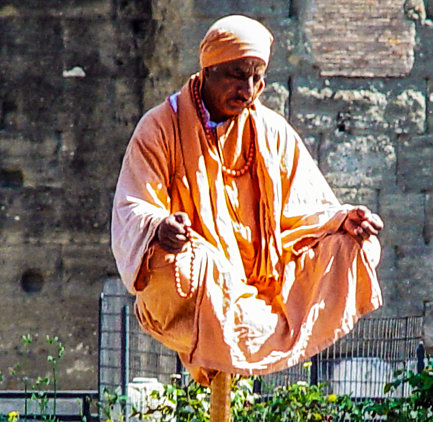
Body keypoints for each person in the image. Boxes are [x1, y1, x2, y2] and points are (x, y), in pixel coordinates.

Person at [112, 14, 384, 384]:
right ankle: (221, 330)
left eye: (257, 77)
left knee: (352, 246)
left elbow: (306, 210)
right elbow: (134, 204)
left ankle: (256, 333)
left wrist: (343, 219)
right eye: (238, 75)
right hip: (192, 287)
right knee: (195, 260)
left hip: (262, 281)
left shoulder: (271, 131)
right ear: (208, 70)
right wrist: (159, 227)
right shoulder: (160, 126)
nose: (248, 88)